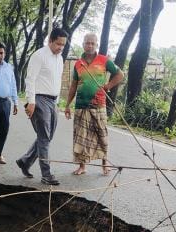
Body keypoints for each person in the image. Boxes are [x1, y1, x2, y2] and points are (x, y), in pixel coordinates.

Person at [64, 33, 124, 175]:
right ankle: (82, 166)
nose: (89, 45)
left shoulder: (104, 60)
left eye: (92, 43)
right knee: (81, 136)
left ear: (96, 45)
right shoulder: (79, 64)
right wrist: (67, 105)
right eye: (87, 43)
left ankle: (104, 164)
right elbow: (73, 85)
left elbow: (120, 74)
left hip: (99, 105)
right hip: (81, 105)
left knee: (102, 134)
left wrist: (108, 86)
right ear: (83, 44)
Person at [15, 28, 68, 186]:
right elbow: (30, 79)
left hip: (53, 101)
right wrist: (31, 101)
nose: (61, 47)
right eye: (58, 43)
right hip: (39, 100)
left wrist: (57, 102)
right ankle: (46, 174)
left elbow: (56, 81)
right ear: (50, 40)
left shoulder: (59, 58)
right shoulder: (39, 55)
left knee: (47, 136)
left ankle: (25, 161)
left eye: (63, 45)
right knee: (44, 138)